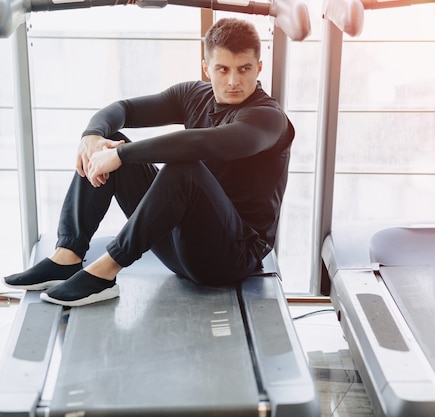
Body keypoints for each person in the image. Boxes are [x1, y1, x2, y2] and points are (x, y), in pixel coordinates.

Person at [2, 17, 295, 307]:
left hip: (229, 257)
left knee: (182, 167)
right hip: (178, 249)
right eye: (223, 69)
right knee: (110, 137)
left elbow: (206, 143)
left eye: (244, 69)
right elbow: (124, 109)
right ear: (206, 68)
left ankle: (104, 274)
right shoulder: (194, 94)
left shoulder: (268, 117)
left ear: (258, 68)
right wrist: (92, 136)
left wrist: (118, 155)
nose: (233, 81)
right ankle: (67, 257)